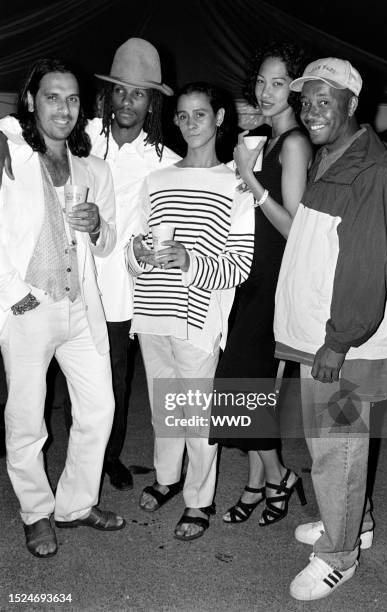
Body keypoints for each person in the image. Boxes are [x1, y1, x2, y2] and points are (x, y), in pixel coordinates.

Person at [0, 38, 179, 491]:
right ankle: (47, 478)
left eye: (138, 93)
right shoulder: (83, 132)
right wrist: (2, 133)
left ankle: (107, 459)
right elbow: (25, 122)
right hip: (46, 286)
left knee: (109, 387)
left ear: (152, 101)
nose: (127, 101)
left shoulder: (165, 163)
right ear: (107, 94)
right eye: (119, 90)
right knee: (39, 394)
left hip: (114, 289)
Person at [273, 58, 387, 600]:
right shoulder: (336, 157)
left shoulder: (371, 171)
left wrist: (337, 340)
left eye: (325, 100)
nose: (311, 110)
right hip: (325, 338)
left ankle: (338, 555)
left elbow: (371, 265)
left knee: (337, 447)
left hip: (344, 345)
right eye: (306, 100)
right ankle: (353, 523)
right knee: (339, 446)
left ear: (353, 103)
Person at [0, 58, 125, 559]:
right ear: (32, 100)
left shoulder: (94, 169)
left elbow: (108, 240)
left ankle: (76, 503)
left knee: (100, 408)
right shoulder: (11, 156)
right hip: (29, 306)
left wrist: (96, 225)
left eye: (73, 99)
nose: (64, 108)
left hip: (80, 306)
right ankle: (36, 512)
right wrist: (15, 300)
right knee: (28, 418)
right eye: (53, 96)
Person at [126, 81, 255, 541]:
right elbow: (133, 249)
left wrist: (190, 261)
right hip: (152, 310)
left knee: (198, 417)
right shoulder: (157, 179)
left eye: (200, 114)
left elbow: (240, 265)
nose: (191, 123)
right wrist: (139, 252)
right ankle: (166, 477)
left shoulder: (236, 184)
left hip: (199, 316)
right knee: (165, 407)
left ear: (220, 118)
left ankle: (199, 500)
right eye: (182, 115)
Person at [209, 42, 312, 526]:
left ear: (295, 88)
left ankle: (279, 477)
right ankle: (262, 481)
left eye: (278, 83)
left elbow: (295, 228)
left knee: (250, 393)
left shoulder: (293, 143)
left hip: (275, 285)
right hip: (250, 278)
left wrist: (251, 180)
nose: (266, 92)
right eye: (261, 82)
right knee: (243, 391)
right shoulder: (267, 137)